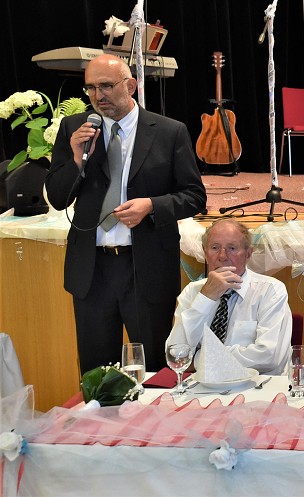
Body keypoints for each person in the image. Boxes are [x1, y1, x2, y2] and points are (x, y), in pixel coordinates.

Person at [45, 54, 206, 372]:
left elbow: (194, 196)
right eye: (90, 88)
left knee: (154, 369)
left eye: (106, 86)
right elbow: (59, 198)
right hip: (92, 271)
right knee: (97, 373)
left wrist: (152, 206)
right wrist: (76, 159)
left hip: (145, 267)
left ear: (130, 86)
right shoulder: (75, 129)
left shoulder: (169, 132)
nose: (97, 95)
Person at [165, 219, 292, 374]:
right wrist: (206, 297)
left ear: (248, 254)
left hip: (257, 385)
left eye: (232, 248)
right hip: (201, 385)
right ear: (205, 253)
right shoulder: (193, 292)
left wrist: (198, 360)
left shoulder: (270, 291)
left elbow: (268, 357)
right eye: (215, 248)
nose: (222, 256)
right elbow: (176, 355)